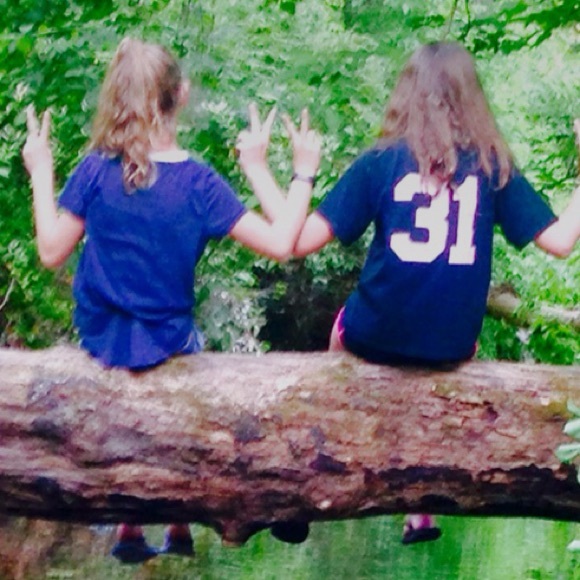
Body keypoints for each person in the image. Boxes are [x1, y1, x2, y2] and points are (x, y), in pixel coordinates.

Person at [250, 41, 580, 545]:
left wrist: (285, 169)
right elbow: (560, 242)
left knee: (339, 340)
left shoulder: (379, 162)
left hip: (373, 335)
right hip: (452, 346)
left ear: (406, 97)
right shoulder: (492, 165)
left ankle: (308, 484)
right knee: (437, 360)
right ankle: (420, 507)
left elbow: (296, 243)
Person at [22, 37, 321, 564]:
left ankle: (132, 525)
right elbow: (282, 244)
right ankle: (179, 519)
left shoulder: (94, 170)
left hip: (100, 339)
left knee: (151, 334)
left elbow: (50, 251)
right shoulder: (199, 182)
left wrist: (41, 170)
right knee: (189, 343)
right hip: (167, 340)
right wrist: (299, 171)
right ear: (180, 95)